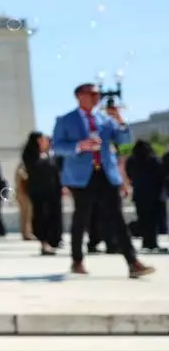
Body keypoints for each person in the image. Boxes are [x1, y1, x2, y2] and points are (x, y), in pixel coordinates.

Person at [51, 83, 154, 278]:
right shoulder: (65, 120)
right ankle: (77, 260)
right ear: (80, 96)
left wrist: (120, 122)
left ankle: (133, 262)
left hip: (106, 174)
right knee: (81, 218)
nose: (97, 97)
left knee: (117, 218)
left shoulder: (105, 120)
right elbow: (57, 147)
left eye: (98, 94)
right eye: (92, 94)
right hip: (81, 177)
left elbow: (124, 143)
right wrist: (80, 146)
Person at [21, 131, 63, 255]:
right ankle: (44, 243)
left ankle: (54, 240)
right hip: (39, 192)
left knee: (54, 216)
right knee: (41, 217)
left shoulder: (50, 154)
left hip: (53, 191)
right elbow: (37, 169)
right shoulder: (30, 155)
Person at [125, 140, 166, 253]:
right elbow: (161, 175)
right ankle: (152, 243)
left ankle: (146, 242)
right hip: (154, 195)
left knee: (143, 219)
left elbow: (129, 174)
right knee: (153, 221)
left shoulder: (131, 160)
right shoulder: (154, 159)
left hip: (139, 194)